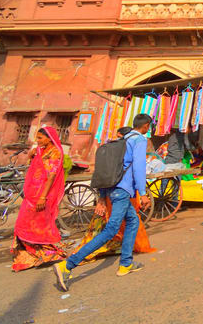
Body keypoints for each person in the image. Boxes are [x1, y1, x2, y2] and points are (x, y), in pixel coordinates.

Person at [55, 114, 153, 291]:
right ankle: (68, 265)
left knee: (132, 221)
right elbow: (139, 167)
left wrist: (102, 195)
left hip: (111, 187)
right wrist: (143, 193)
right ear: (146, 126)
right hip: (122, 190)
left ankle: (126, 264)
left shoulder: (120, 140)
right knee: (111, 229)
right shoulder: (139, 140)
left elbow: (106, 169)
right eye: (148, 127)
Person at [11, 126, 67, 271]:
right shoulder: (41, 151)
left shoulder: (54, 153)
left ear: (49, 138)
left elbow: (51, 176)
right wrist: (33, 153)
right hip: (31, 193)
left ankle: (47, 253)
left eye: (40, 138)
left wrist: (43, 197)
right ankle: (28, 254)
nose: (38, 140)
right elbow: (35, 167)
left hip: (42, 194)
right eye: (37, 138)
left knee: (38, 224)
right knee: (24, 222)